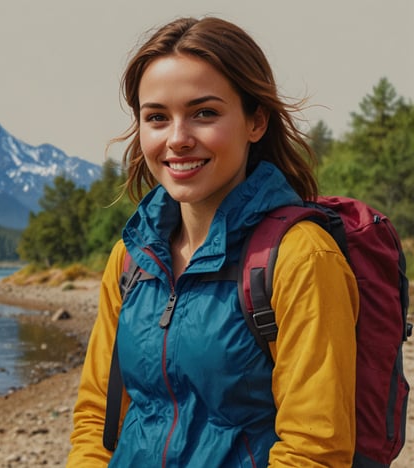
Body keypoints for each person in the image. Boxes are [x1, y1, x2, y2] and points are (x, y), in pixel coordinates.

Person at [67, 16, 359, 467]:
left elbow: (315, 451)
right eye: (157, 118)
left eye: (204, 113)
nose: (178, 139)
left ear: (256, 120)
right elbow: (97, 421)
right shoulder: (130, 259)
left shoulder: (300, 257)